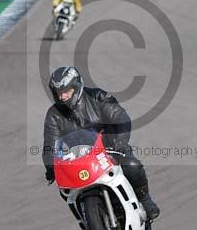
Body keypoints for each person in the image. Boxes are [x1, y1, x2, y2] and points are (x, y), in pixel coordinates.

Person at [42, 66, 160, 220]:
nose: (63, 97)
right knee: (64, 187)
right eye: (59, 93)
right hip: (77, 160)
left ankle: (145, 199)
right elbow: (50, 144)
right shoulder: (53, 115)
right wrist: (51, 166)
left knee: (131, 165)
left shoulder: (98, 96)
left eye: (67, 91)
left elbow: (120, 118)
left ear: (77, 87)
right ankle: (85, 217)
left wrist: (118, 141)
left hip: (110, 148)